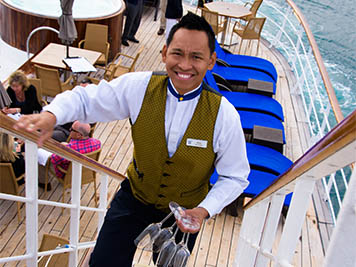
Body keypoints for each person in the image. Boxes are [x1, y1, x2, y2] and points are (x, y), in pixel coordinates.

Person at [14, 13, 250, 267]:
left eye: (196, 57)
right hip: (134, 198)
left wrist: (204, 210)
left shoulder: (224, 115)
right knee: (103, 262)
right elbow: (87, 99)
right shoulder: (139, 87)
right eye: (178, 53)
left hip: (186, 213)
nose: (184, 65)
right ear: (164, 52)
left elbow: (235, 176)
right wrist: (52, 115)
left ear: (211, 61)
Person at [37, 121, 101, 190]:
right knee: (63, 143)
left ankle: (44, 183)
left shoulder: (69, 150)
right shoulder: (97, 143)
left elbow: (54, 159)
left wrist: (59, 149)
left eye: (72, 129)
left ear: (79, 135)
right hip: (86, 173)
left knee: (39, 155)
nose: (69, 130)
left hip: (68, 174)